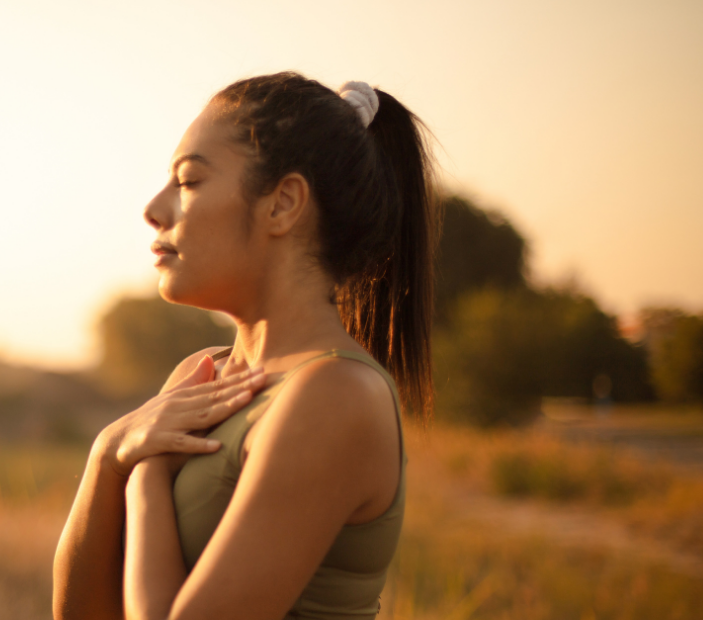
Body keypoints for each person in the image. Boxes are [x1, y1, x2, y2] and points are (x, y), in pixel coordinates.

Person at [52, 72, 437, 620]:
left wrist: (145, 474)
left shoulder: (335, 394)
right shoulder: (202, 374)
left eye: (188, 182)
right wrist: (109, 453)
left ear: (283, 204)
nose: (154, 209)